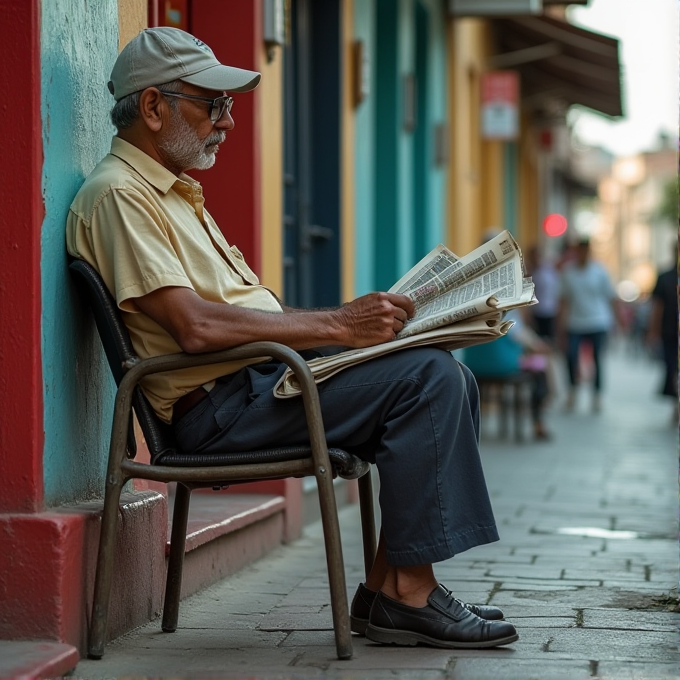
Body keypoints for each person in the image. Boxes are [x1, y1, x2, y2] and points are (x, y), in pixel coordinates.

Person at [66, 27, 517, 650]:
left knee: (439, 367)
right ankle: (407, 596)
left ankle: (392, 587)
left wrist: (373, 333)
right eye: (211, 104)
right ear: (152, 107)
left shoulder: (173, 194)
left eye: (228, 106)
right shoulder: (119, 196)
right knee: (427, 380)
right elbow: (195, 327)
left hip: (257, 383)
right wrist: (338, 325)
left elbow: (240, 313)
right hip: (220, 410)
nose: (226, 121)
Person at [464, 309, 552, 440]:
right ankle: (538, 422)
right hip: (503, 366)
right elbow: (529, 342)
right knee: (540, 369)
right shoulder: (510, 314)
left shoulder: (472, 312)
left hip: (474, 365)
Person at [557, 237, 621, 413]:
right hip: (574, 322)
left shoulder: (600, 272)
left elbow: (611, 298)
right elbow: (563, 301)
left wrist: (618, 322)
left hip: (598, 321)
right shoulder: (568, 272)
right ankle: (572, 391)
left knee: (598, 359)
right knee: (570, 356)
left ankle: (597, 395)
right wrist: (560, 327)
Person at [646, 247, 678, 417]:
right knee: (672, 367)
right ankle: (676, 403)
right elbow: (657, 307)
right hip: (670, 332)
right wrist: (653, 331)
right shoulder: (665, 277)